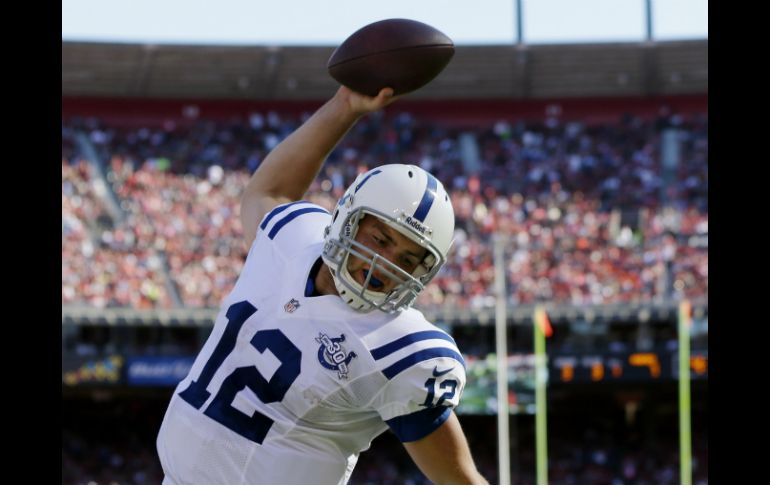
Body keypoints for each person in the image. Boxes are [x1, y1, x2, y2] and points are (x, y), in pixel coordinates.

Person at [157, 85, 488, 485]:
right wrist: (345, 105)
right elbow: (268, 191)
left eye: (406, 259)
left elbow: (460, 479)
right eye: (380, 240)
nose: (383, 264)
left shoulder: (400, 346)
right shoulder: (291, 238)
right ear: (348, 218)